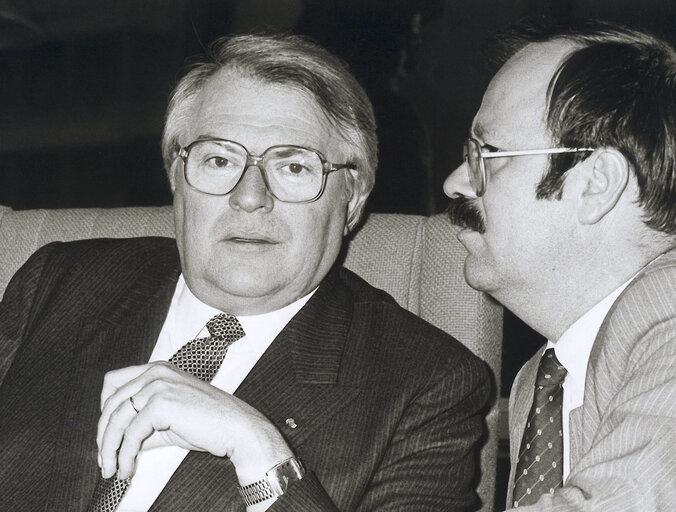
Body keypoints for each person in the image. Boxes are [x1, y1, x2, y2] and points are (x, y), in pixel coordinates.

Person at [0, 33, 490, 511]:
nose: (250, 196)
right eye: (219, 159)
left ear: (352, 199)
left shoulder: (426, 385)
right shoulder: (57, 282)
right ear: (177, 177)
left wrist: (259, 452)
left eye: (294, 167)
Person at [443, 19, 676, 511]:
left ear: (595, 184)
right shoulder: (542, 381)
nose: (455, 182)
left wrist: (265, 465)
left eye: (489, 154)